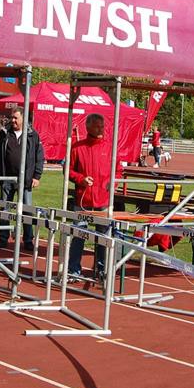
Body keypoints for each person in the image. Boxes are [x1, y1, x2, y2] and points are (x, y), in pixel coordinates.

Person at [66, 113, 121, 278]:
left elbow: (118, 171)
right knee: (78, 236)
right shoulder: (77, 147)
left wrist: (112, 184)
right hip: (83, 201)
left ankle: (101, 270)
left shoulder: (109, 148)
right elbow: (67, 170)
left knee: (104, 238)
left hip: (103, 201)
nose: (101, 129)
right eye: (97, 126)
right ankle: (74, 270)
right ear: (88, 127)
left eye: (102, 126)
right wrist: (80, 179)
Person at [0, 107, 44, 253]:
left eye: (16, 118)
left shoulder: (33, 135)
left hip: (25, 179)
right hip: (7, 177)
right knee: (5, 208)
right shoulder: (5, 133)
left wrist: (37, 176)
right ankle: (3, 237)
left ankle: (28, 240)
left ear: (23, 119)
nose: (13, 120)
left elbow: (39, 157)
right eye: (12, 117)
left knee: (27, 210)